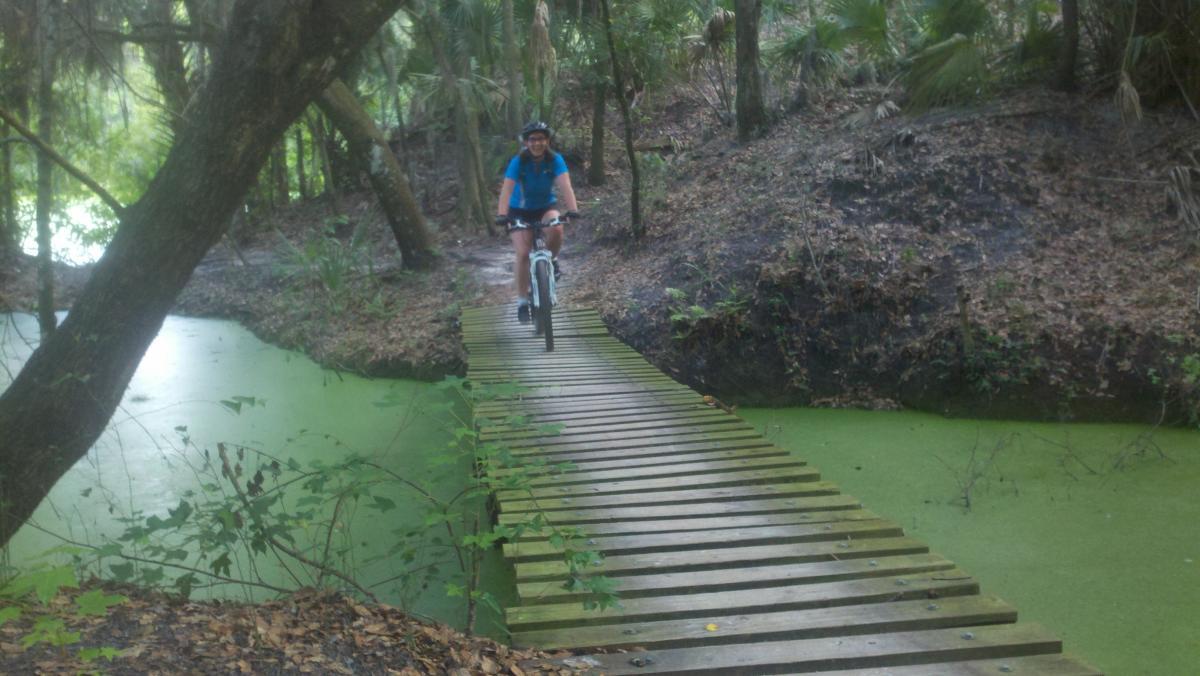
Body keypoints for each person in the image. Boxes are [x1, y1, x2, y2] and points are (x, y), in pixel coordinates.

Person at [495, 121, 579, 323]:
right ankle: (522, 302)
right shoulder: (518, 162)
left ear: (547, 140)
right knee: (523, 253)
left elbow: (565, 185)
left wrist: (573, 209)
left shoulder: (555, 159)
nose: (537, 143)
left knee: (557, 229)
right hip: (519, 212)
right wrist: (501, 214)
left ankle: (551, 260)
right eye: (532, 139)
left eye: (541, 138)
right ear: (526, 142)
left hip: (544, 208)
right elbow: (507, 190)